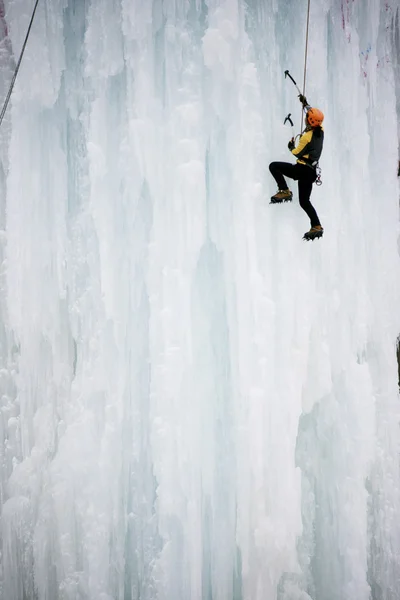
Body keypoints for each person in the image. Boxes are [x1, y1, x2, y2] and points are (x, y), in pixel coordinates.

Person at [269, 95, 324, 240]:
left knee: (274, 166)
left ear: (310, 121)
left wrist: (291, 146)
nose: (306, 118)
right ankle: (316, 225)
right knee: (304, 201)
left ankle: (285, 190)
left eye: (307, 117)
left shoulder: (307, 137)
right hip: (311, 172)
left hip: (301, 170)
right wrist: (306, 104)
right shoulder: (321, 130)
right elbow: (313, 115)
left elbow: (297, 153)